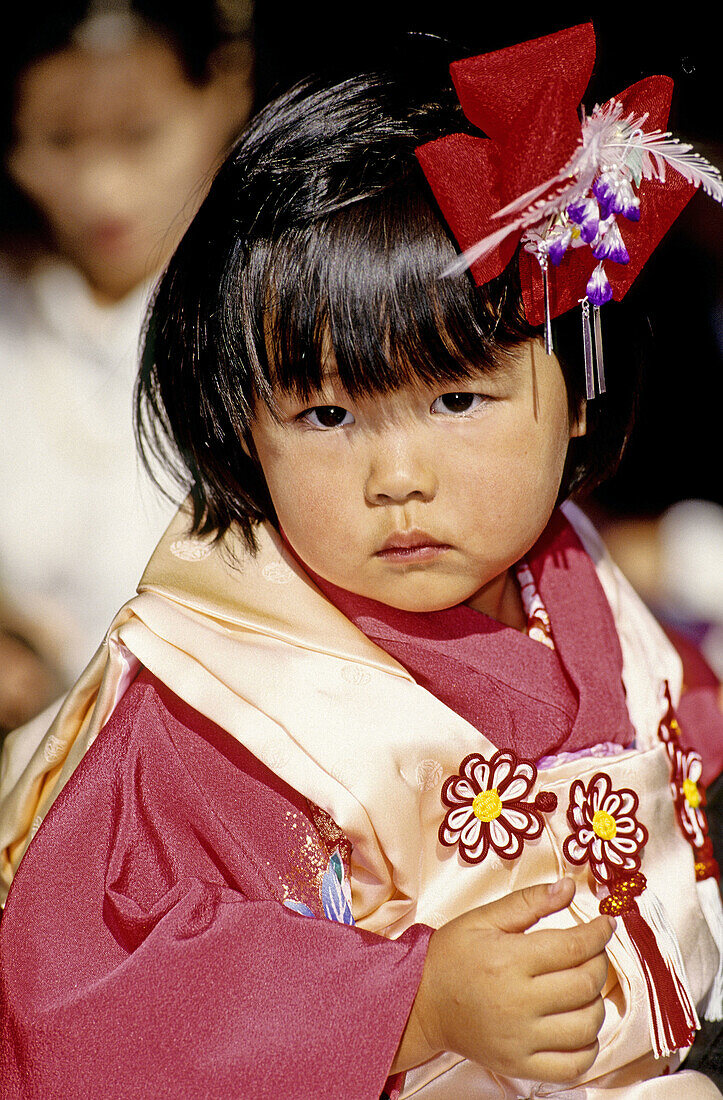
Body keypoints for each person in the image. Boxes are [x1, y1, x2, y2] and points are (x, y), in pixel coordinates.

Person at [1, 22, 723, 1099]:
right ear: (243, 423)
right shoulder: (220, 690)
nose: (398, 475)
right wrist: (413, 1001)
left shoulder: (571, 575)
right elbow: (94, 994)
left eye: (456, 398)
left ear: (576, 385)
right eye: (329, 412)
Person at [0, 0, 254, 719]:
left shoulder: (286, 311)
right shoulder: (13, 317)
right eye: (58, 140)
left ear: (225, 90)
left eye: (142, 136)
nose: (100, 188)